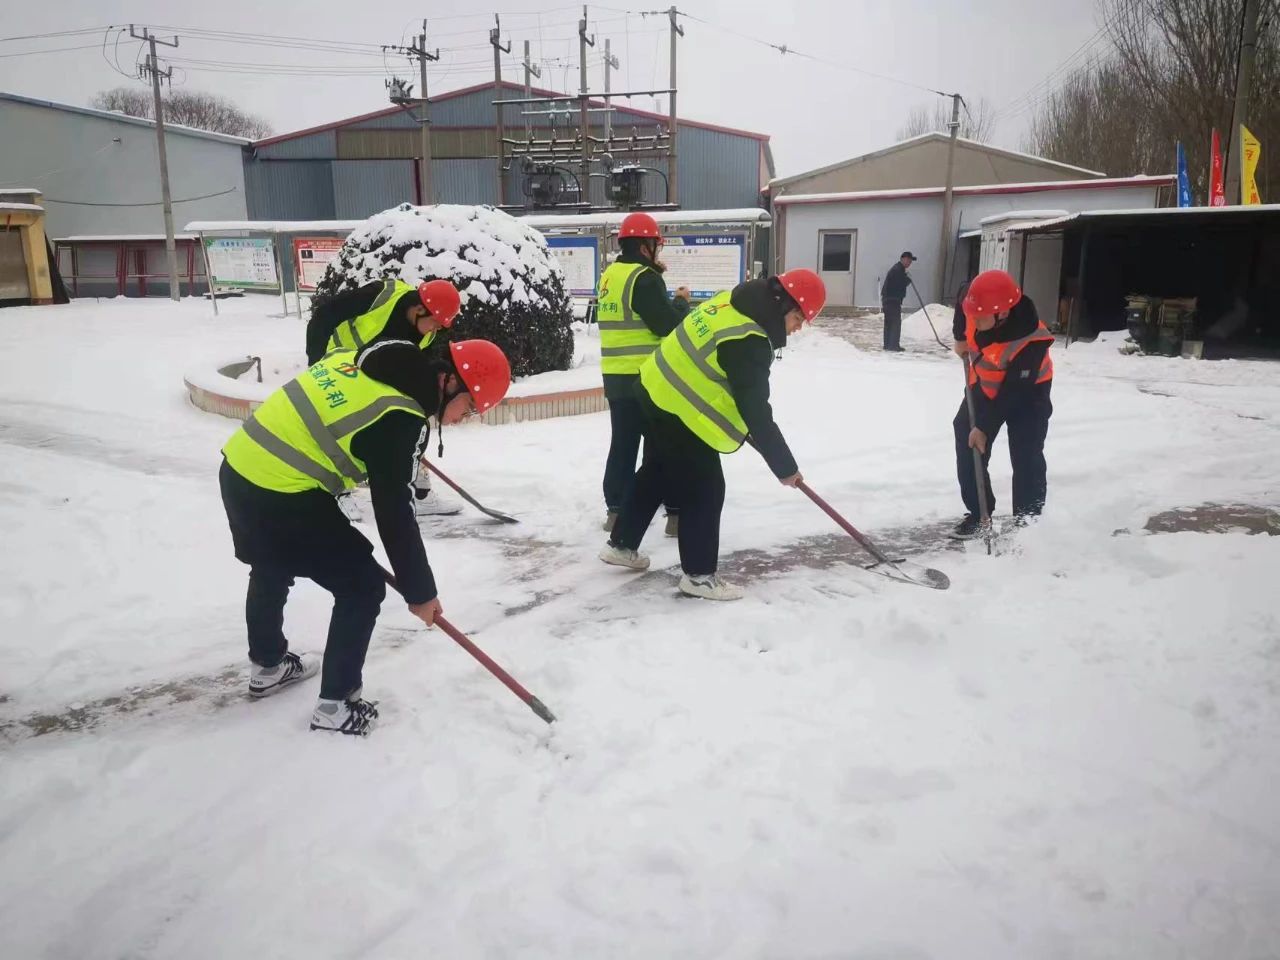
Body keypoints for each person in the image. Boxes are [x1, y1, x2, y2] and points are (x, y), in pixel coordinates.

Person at [219, 337, 512, 736]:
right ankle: (336, 706)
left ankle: (268, 665)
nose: (466, 418)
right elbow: (395, 513)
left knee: (271, 562)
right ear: (450, 384)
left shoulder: (363, 361)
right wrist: (420, 592)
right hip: (282, 495)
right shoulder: (400, 420)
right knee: (362, 586)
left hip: (240, 467)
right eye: (472, 407)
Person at [598, 269, 826, 601]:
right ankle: (699, 576)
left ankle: (622, 544)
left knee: (658, 470)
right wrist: (785, 467)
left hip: (652, 386)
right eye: (798, 317)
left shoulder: (731, 303)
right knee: (705, 488)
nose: (798, 327)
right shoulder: (749, 340)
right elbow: (756, 411)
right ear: (781, 305)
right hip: (677, 406)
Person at [306, 277, 465, 517]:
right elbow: (323, 317)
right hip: (338, 371)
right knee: (337, 433)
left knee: (409, 421)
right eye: (436, 323)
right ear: (420, 309)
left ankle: (420, 492)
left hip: (373, 379)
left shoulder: (426, 335)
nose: (437, 329)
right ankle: (338, 493)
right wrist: (315, 365)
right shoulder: (381, 295)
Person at [597, 212, 692, 536]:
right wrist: (681, 302)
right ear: (645, 246)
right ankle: (676, 512)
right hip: (646, 378)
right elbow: (666, 324)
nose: (658, 252)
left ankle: (617, 509)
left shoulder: (611, 275)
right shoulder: (644, 278)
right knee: (662, 445)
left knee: (623, 445)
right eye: (656, 245)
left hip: (616, 375)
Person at [949, 269, 1054, 539]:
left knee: (1026, 452)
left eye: (980, 317)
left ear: (1003, 314)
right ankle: (979, 512)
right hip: (983, 384)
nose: (973, 318)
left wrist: (984, 426)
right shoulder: (975, 305)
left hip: (1028, 395)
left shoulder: (1032, 342)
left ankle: (1027, 521)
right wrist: (960, 337)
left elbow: (1014, 393)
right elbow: (963, 307)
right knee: (966, 437)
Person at [880, 251, 917, 352]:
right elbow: (899, 285)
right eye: (908, 260)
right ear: (903, 259)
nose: (910, 263)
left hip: (888, 299)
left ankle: (888, 345)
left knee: (889, 322)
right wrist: (907, 280)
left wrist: (905, 277)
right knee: (895, 322)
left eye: (911, 261)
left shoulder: (898, 269)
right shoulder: (897, 270)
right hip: (892, 300)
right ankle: (893, 345)